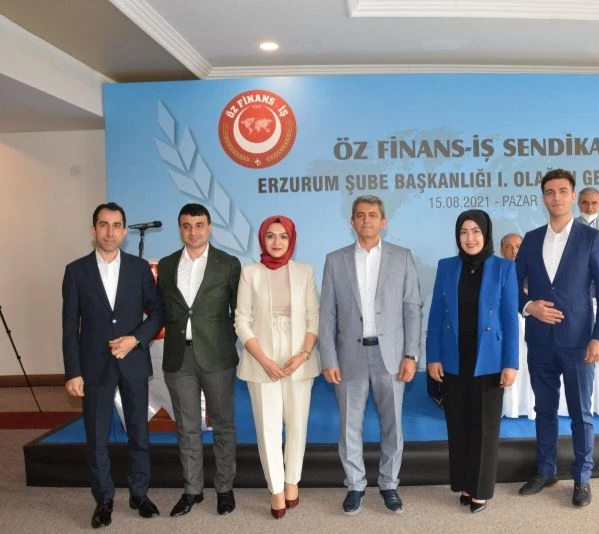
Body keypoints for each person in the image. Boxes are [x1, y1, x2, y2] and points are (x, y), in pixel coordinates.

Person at [62, 202, 164, 528]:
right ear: (93, 230)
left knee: (139, 433)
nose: (110, 232)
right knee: (96, 437)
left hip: (133, 362)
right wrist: (73, 372)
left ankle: (139, 494)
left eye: (116, 225)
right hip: (93, 367)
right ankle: (103, 498)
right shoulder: (76, 271)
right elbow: (69, 328)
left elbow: (158, 312)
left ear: (124, 231)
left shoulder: (139, 268)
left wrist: (136, 339)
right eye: (103, 225)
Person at [319, 195, 423, 516]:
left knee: (393, 425)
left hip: (390, 356)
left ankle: (389, 484)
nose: (367, 220)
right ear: (352, 221)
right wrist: (328, 358)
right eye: (361, 215)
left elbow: (412, 308)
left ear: (383, 221)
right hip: (349, 356)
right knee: (349, 426)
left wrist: (411, 355)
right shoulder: (335, 260)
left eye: (373, 215)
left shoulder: (402, 257)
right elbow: (327, 314)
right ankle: (355, 485)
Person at [515, 169, 599, 507]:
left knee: (580, 413)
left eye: (562, 191)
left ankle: (582, 478)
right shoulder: (530, 239)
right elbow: (512, 286)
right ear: (543, 197)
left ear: (572, 196)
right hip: (540, 341)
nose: (556, 197)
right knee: (543, 410)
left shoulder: (592, 239)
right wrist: (529, 306)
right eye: (549, 192)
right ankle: (546, 471)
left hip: (579, 342)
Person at [426, 210, 519, 514]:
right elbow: (436, 315)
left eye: (476, 231)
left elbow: (510, 319)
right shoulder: (446, 267)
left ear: (486, 234)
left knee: (485, 428)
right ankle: (465, 484)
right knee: (459, 425)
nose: (470, 238)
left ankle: (480, 490)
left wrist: (511, 363)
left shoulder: (504, 268)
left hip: (489, 359)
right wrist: (433, 356)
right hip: (453, 358)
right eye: (464, 232)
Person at [157, 203, 240, 517]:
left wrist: (228, 342)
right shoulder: (166, 265)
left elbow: (239, 312)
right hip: (178, 357)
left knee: (223, 424)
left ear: (210, 227)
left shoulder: (228, 264)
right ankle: (192, 489)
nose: (193, 232)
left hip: (218, 356)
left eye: (199, 225)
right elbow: (162, 309)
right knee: (186, 426)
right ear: (180, 228)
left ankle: (224, 488)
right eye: (187, 226)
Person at [234, 215, 320, 519]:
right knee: (268, 427)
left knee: (297, 424)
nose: (276, 242)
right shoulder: (250, 273)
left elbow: (313, 317)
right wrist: (264, 361)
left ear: (291, 240)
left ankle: (292, 480)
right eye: (270, 236)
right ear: (262, 239)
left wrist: (303, 354)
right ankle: (276, 488)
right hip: (261, 358)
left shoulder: (305, 271)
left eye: (283, 236)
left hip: (299, 357)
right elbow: (241, 320)